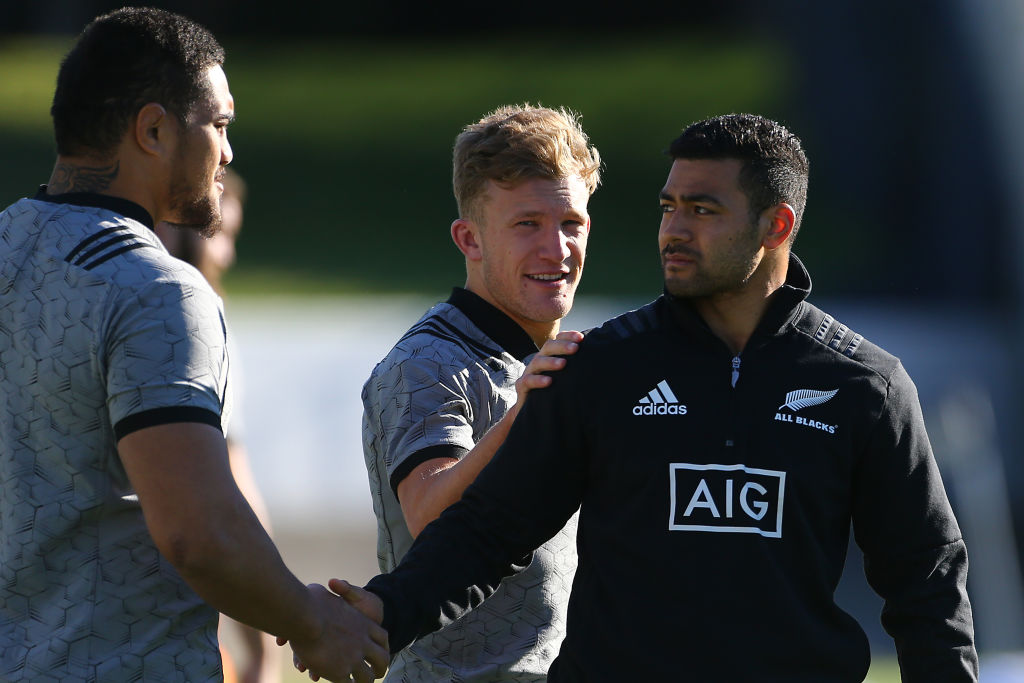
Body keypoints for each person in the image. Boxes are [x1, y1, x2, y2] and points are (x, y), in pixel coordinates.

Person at [333, 113, 979, 682]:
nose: (673, 229)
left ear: (775, 224)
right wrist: (387, 610)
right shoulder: (602, 367)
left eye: (702, 210)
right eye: (668, 206)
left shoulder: (864, 385)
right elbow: (488, 529)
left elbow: (927, 580)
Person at [0, 8, 385, 682]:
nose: (229, 152)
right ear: (152, 130)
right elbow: (197, 530)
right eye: (220, 124)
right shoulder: (155, 290)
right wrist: (313, 621)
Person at [358, 104, 600, 681]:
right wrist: (524, 415)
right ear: (470, 238)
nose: (557, 250)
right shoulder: (426, 360)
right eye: (527, 225)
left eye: (571, 223)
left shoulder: (550, 358)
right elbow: (429, 515)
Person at [155, 168, 280, 683]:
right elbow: (232, 490)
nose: (225, 255)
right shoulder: (195, 319)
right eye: (218, 234)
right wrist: (265, 640)